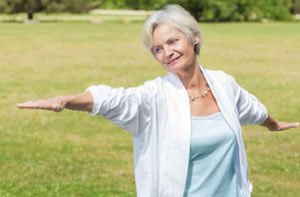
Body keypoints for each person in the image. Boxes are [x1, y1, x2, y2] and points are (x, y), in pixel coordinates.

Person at [17, 4, 299, 197]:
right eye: (158, 49)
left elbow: (251, 108)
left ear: (194, 39)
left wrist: (273, 124)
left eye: (174, 41)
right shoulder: (154, 97)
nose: (167, 52)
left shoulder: (223, 83)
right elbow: (112, 99)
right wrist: (65, 99)